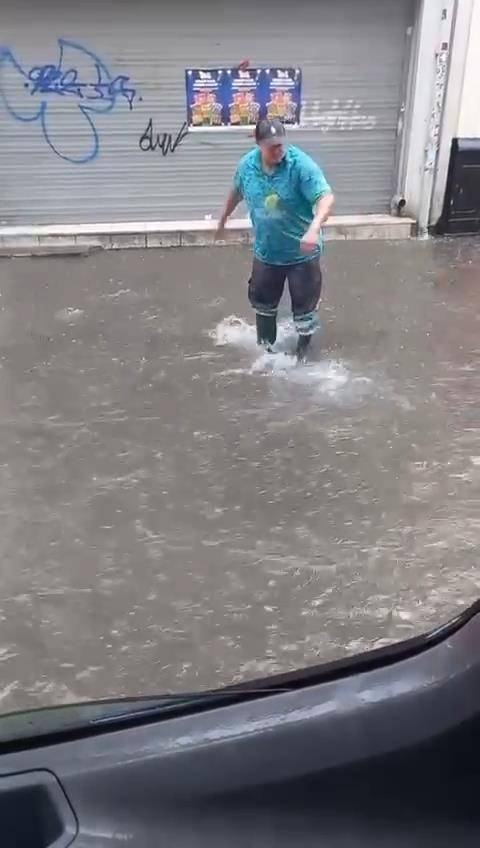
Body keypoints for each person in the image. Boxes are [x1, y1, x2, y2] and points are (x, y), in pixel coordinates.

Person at [215, 118, 334, 359]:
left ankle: (303, 356)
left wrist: (314, 228)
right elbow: (236, 193)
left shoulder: (300, 165)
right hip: (267, 253)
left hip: (302, 254)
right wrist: (222, 220)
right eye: (272, 146)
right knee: (263, 306)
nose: (278, 150)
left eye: (281, 144)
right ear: (259, 145)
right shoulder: (247, 166)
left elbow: (326, 198)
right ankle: (266, 353)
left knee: (304, 313)